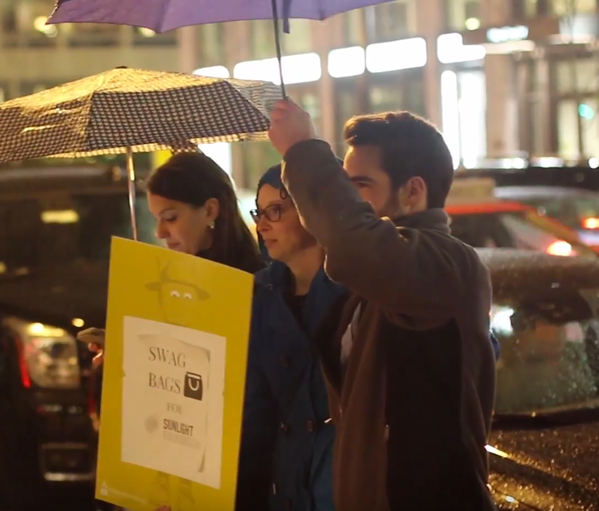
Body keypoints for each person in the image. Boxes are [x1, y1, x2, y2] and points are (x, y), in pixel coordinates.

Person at [267, 102, 497, 511]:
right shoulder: (380, 276)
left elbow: (357, 244)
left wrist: (302, 148)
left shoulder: (449, 264)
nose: (351, 200)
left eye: (361, 185)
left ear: (413, 190)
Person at [82, 151, 265, 366]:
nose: (160, 232)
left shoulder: (253, 283)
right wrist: (126, 350)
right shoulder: (167, 279)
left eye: (170, 218)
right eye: (157, 219)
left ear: (210, 210)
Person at [237, 164, 347, 511]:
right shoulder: (257, 295)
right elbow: (254, 412)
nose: (262, 224)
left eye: (276, 210)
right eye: (259, 211)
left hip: (339, 485)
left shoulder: (358, 290)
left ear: (314, 212)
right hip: (286, 487)